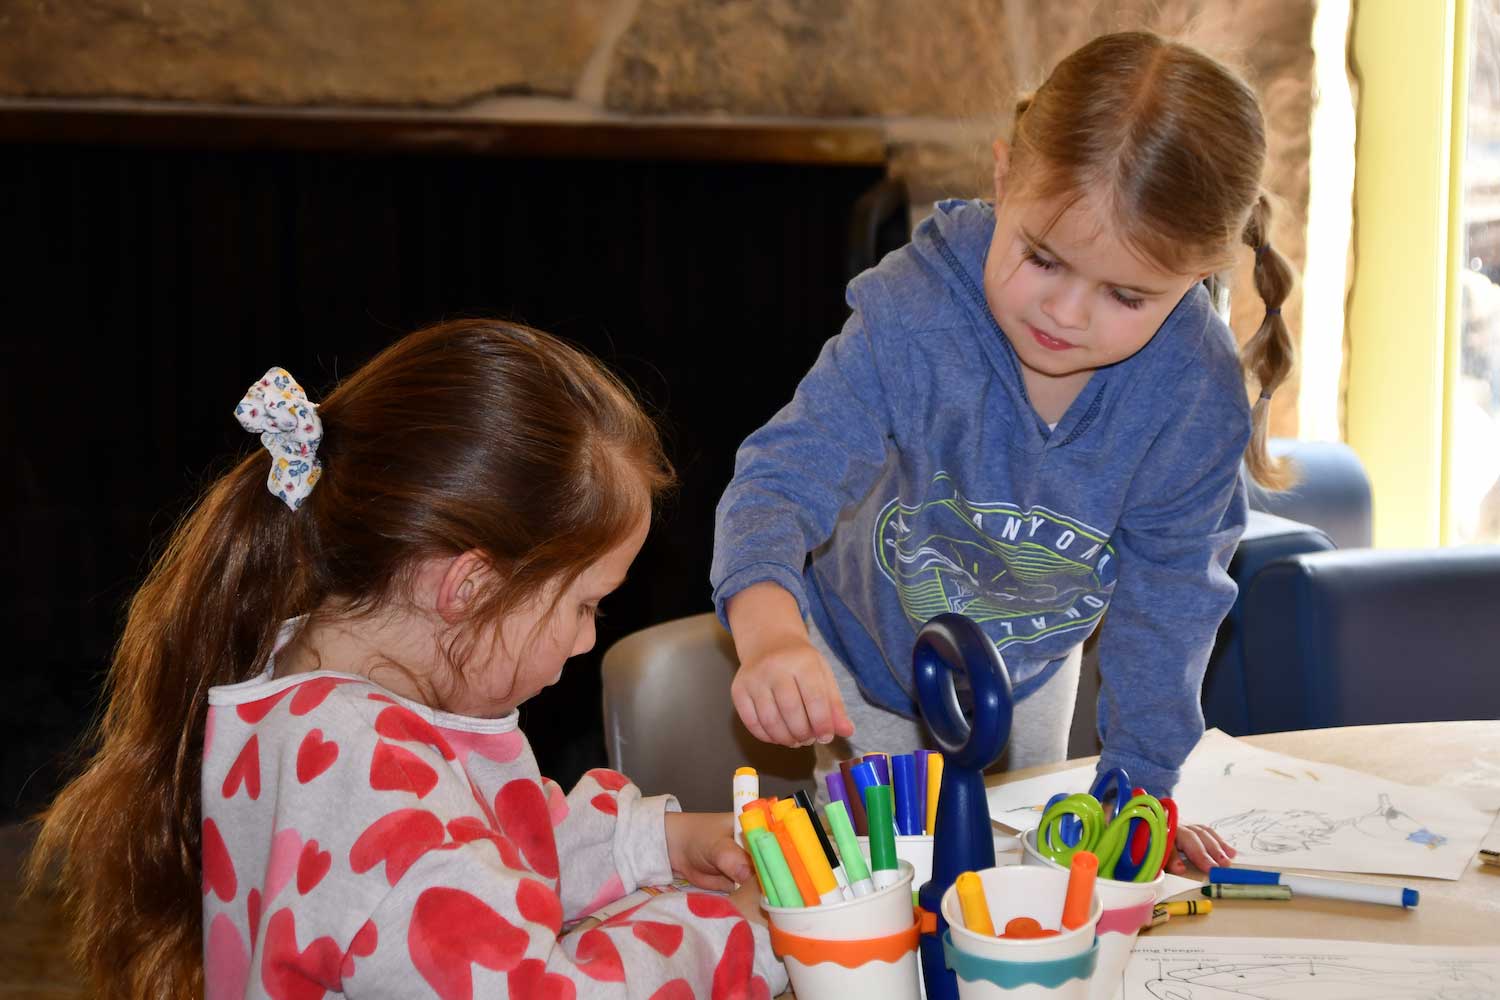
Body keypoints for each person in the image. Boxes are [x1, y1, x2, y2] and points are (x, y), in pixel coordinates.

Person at [29, 320, 786, 998]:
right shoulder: (374, 785)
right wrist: (738, 937)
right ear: (470, 585)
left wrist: (655, 843)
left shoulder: (313, 700)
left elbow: (488, 860)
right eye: (585, 604)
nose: (589, 638)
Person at [711, 31, 1296, 874]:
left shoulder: (1193, 391)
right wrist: (771, 636)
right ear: (1001, 177)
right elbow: (779, 477)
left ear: (1198, 273)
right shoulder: (913, 316)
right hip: (863, 671)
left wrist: (1137, 798)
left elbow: (1169, 604)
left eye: (1127, 296)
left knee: (1022, 888)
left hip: (1029, 679)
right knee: (893, 890)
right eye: (1042, 258)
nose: (1065, 313)